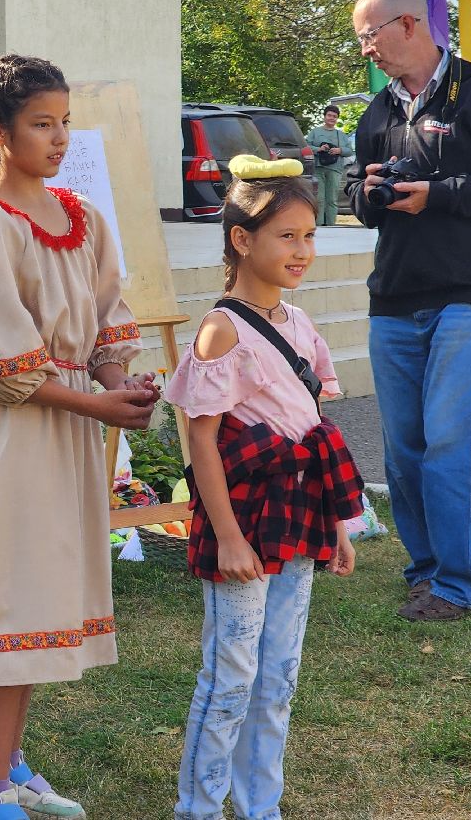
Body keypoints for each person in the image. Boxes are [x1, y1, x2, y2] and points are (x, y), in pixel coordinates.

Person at [0, 56, 156, 820]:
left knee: (40, 597)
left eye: (65, 121)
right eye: (43, 123)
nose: (60, 137)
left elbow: (107, 320)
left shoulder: (84, 218)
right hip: (22, 431)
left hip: (70, 423)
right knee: (12, 599)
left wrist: (119, 385)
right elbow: (3, 364)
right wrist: (96, 407)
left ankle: (11, 763)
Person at [164, 157, 363, 820]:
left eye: (309, 235)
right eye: (287, 236)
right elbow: (201, 440)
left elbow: (315, 430)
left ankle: (260, 808)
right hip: (244, 520)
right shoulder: (223, 329)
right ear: (241, 240)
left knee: (277, 679)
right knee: (230, 680)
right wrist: (226, 537)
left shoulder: (300, 326)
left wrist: (337, 523)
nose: (302, 251)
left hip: (300, 517)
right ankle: (199, 808)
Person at [346, 0, 471, 621]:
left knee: (452, 446)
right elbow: (356, 196)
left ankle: (460, 586)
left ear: (409, 25)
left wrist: (437, 193)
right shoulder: (378, 112)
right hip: (395, 296)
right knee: (405, 453)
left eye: (370, 34)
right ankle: (426, 573)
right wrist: (368, 192)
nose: (365, 48)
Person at [305, 103, 348, 226]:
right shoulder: (315, 132)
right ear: (324, 116)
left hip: (335, 169)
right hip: (319, 168)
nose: (331, 118)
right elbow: (306, 146)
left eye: (334, 116)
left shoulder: (341, 135)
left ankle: (331, 225)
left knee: (332, 199)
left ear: (337, 118)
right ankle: (318, 225)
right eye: (329, 115)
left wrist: (339, 150)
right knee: (319, 199)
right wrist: (319, 149)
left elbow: (349, 150)